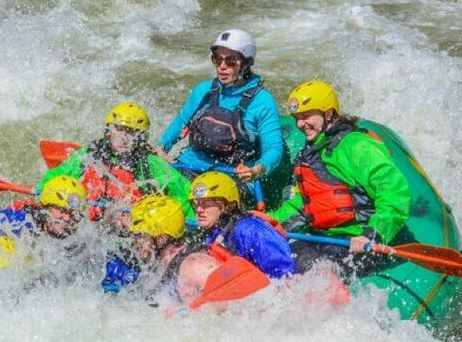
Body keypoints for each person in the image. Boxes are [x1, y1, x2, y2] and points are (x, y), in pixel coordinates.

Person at [270, 80, 412, 276]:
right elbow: (309, 202)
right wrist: (269, 221)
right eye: (297, 118)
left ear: (328, 113)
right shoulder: (315, 148)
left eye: (306, 116)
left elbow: (394, 193)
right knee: (275, 257)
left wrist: (372, 234)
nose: (300, 124)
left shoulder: (358, 147)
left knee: (317, 272)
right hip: (324, 238)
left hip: (358, 240)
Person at [157, 29, 291, 210]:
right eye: (217, 59)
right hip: (189, 166)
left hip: (232, 176)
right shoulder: (203, 90)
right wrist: (160, 148)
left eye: (230, 61)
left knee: (207, 199)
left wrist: (258, 169)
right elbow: (181, 122)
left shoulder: (262, 102)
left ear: (246, 64)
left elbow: (273, 148)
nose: (222, 66)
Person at [37, 102, 194, 223]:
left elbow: (186, 194)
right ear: (108, 130)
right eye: (118, 129)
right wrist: (44, 197)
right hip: (87, 224)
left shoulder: (149, 164)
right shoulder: (90, 154)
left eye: (131, 132)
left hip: (128, 231)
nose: (123, 137)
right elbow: (56, 177)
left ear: (141, 137)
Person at [102, 195, 220, 305]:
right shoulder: (159, 264)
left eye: (140, 236)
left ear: (161, 238)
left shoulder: (193, 267)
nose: (135, 242)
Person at [0, 175, 88, 267]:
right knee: (5, 248)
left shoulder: (75, 241)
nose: (67, 218)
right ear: (46, 208)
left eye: (72, 214)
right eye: (62, 211)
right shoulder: (18, 221)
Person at [188, 171, 298, 279]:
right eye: (196, 203)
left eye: (207, 203)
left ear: (228, 205)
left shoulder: (249, 230)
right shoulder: (213, 232)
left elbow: (285, 274)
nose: (199, 210)